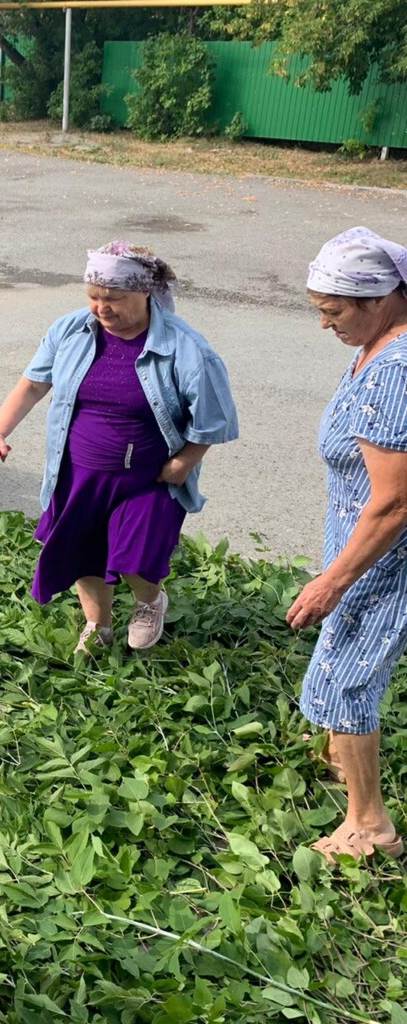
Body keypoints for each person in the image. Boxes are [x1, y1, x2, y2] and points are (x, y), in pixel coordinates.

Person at [0, 241, 238, 653]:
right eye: (94, 296)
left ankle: (150, 601)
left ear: (144, 292)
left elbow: (214, 417)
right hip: (77, 471)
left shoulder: (185, 348)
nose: (101, 308)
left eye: (113, 298)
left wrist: (186, 460)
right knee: (83, 550)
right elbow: (32, 385)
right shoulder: (71, 331)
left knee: (134, 555)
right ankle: (99, 625)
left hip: (149, 478)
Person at [288, 226, 407, 863]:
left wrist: (333, 582)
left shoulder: (395, 372)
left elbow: (394, 503)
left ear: (378, 299)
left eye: (333, 311)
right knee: (343, 667)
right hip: (360, 545)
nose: (323, 323)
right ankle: (345, 755)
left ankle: (370, 826)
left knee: (346, 679)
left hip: (383, 559)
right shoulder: (378, 344)